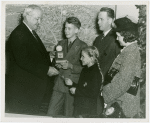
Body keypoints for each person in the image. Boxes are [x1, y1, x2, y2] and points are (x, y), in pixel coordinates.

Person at [5, 5, 59, 115]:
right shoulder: (19, 34)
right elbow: (24, 61)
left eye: (40, 19)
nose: (39, 22)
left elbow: (32, 53)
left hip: (30, 90)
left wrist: (49, 55)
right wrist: (46, 70)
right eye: (37, 18)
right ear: (27, 16)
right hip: (23, 92)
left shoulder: (29, 31)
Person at [47, 17, 87, 117]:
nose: (66, 31)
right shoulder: (60, 44)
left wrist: (71, 66)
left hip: (72, 85)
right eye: (65, 28)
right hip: (59, 84)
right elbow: (56, 64)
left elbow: (85, 70)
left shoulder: (83, 46)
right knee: (50, 114)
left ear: (77, 30)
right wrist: (55, 62)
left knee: (69, 116)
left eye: (69, 28)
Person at [102, 17, 141, 118]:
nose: (116, 38)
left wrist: (105, 96)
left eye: (118, 36)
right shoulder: (129, 50)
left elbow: (123, 82)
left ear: (126, 36)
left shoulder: (130, 54)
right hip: (119, 100)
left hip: (122, 104)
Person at [65, 46, 104, 117]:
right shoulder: (85, 70)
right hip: (80, 105)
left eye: (83, 56)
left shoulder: (95, 73)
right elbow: (83, 87)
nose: (80, 59)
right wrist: (72, 84)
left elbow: (93, 93)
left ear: (91, 58)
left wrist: (76, 91)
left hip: (87, 109)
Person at [93, 7, 121, 82]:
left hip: (107, 82)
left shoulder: (117, 39)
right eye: (98, 19)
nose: (98, 22)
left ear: (110, 20)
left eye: (101, 19)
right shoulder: (97, 39)